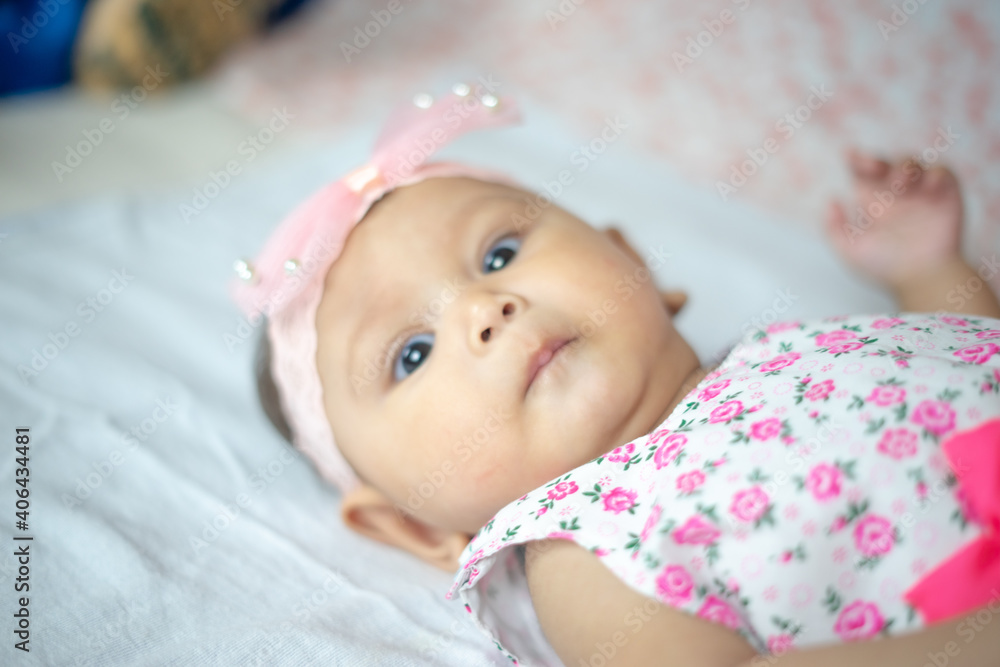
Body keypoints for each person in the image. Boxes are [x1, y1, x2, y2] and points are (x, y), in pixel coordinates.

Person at [231, 88, 1000, 666]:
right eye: (413, 353)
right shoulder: (588, 552)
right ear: (417, 526)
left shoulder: (780, 352)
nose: (484, 308)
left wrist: (930, 271)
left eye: (499, 254)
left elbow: (964, 358)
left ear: (633, 262)